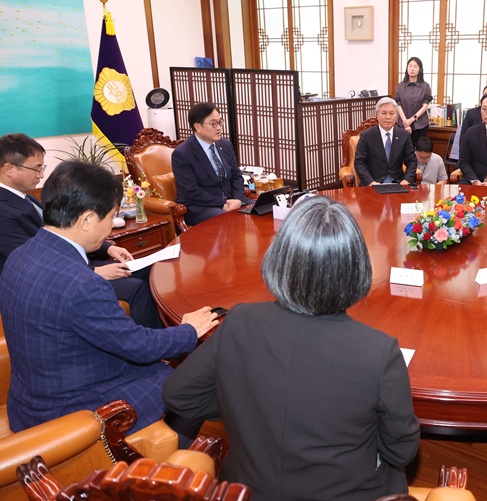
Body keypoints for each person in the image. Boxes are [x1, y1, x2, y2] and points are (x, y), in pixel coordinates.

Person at [163, 196, 420, 500]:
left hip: (246, 491)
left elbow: (179, 394)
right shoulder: (378, 352)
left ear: (280, 258)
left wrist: (247, 403)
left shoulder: (239, 321)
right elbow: (402, 450)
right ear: (356, 269)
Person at [0, 160, 218, 440]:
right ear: (88, 219)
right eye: (111, 216)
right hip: (74, 408)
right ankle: (171, 455)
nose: (110, 229)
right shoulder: (82, 284)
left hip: (33, 397)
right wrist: (189, 330)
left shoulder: (21, 255)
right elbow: (138, 346)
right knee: (194, 383)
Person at [0, 133, 162, 330]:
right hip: (49, 282)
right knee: (136, 288)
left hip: (71, 262)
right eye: (36, 169)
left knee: (144, 270)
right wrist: (95, 272)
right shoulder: (3, 209)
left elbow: (67, 228)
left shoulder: (24, 197)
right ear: (8, 169)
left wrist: (108, 249)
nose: (41, 175)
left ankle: (159, 330)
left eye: (41, 168)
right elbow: (34, 261)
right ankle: (150, 349)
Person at [172, 102, 253, 226]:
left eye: (220, 122)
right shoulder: (182, 154)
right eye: (214, 124)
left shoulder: (225, 145)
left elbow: (236, 176)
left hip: (230, 201)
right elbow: (191, 191)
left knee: (264, 207)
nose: (219, 128)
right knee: (227, 219)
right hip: (200, 206)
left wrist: (238, 200)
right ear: (198, 127)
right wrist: (222, 203)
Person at [354, 97, 417, 186]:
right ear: (377, 114)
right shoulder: (366, 136)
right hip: (373, 184)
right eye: (384, 113)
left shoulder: (404, 135)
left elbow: (412, 162)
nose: (388, 117)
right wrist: (371, 182)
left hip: (398, 184)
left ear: (397, 115)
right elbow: (359, 163)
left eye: (392, 113)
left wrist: (406, 181)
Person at [394, 57, 432, 147]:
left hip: (421, 125)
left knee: (419, 151)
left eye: (415, 66)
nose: (412, 69)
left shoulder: (425, 86)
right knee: (402, 152)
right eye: (410, 66)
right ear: (407, 68)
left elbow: (425, 106)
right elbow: (398, 105)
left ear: (420, 69)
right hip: (403, 125)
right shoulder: (400, 86)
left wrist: (411, 120)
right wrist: (406, 123)